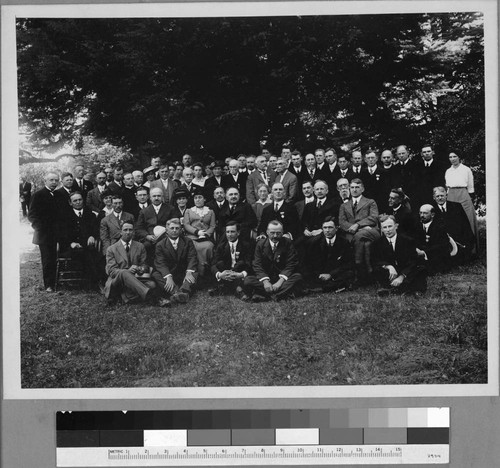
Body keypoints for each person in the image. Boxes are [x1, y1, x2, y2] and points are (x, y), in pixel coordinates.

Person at [243, 220, 303, 302]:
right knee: (248, 280)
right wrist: (265, 282)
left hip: (282, 279)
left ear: (282, 233)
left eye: (278, 233)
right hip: (267, 277)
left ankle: (268, 295)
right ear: (267, 232)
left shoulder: (288, 243)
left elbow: (291, 263)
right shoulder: (260, 244)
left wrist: (280, 282)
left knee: (297, 277)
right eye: (272, 233)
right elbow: (257, 264)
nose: (275, 236)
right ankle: (280, 294)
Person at [28, 172, 66, 291]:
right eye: (51, 180)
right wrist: (41, 228)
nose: (54, 182)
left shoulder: (59, 195)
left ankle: (56, 282)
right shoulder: (38, 195)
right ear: (45, 181)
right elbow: (32, 215)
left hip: (57, 233)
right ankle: (49, 285)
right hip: (44, 234)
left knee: (56, 257)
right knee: (47, 259)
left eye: (56, 180)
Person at [338, 178, 380, 285]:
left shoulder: (370, 202)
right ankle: (368, 273)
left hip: (371, 231)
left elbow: (373, 218)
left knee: (360, 236)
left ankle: (358, 266)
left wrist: (358, 225)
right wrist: (354, 228)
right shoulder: (344, 206)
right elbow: (342, 222)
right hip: (352, 233)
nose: (354, 190)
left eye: (357, 187)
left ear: (362, 189)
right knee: (365, 244)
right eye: (352, 187)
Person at [372, 215, 427, 296]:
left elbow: (413, 261)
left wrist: (402, 276)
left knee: (420, 268)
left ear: (396, 226)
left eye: (390, 226)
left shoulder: (408, 241)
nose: (388, 230)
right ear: (381, 229)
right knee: (377, 269)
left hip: (406, 270)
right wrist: (389, 266)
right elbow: (375, 260)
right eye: (385, 227)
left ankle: (405, 289)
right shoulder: (377, 243)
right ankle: (397, 288)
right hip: (391, 273)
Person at [104, 221, 156, 305]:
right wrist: (127, 271)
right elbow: (111, 271)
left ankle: (124, 297)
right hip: (117, 282)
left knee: (152, 284)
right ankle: (148, 295)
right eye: (125, 230)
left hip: (135, 279)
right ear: (120, 232)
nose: (128, 232)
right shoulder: (111, 249)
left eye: (130, 230)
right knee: (124, 272)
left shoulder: (140, 246)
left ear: (133, 232)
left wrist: (140, 268)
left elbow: (145, 265)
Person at [152, 218, 198, 307]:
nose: (174, 231)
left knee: (194, 272)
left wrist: (189, 272)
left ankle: (183, 291)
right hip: (170, 272)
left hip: (183, 272)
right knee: (156, 274)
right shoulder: (160, 244)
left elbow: (192, 257)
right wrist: (168, 277)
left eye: (177, 228)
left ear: (180, 230)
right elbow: (160, 263)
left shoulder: (187, 241)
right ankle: (177, 293)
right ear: (167, 230)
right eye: (172, 228)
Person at [60, 191, 101, 289]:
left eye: (80, 200)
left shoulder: (90, 214)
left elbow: (95, 229)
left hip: (88, 245)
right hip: (72, 247)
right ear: (70, 203)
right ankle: (95, 282)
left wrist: (92, 236)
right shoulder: (65, 216)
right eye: (75, 201)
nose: (78, 202)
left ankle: (94, 281)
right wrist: (71, 243)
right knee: (86, 254)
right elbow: (62, 234)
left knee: (93, 253)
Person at [305, 217, 354, 292]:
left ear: (336, 228)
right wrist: (320, 275)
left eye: (330, 227)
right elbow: (309, 263)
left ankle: (322, 288)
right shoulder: (314, 243)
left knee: (349, 273)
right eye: (325, 228)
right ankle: (333, 287)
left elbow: (348, 263)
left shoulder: (344, 242)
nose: (327, 230)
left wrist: (331, 274)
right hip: (320, 274)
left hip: (335, 274)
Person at [445, 151, 479, 250]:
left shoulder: (466, 169)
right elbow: (447, 186)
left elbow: (470, 186)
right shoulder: (448, 171)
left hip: (463, 194)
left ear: (459, 157)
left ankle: (471, 248)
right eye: (450, 157)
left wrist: (470, 196)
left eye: (455, 156)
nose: (452, 159)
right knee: (453, 220)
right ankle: (455, 248)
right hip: (451, 195)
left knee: (468, 219)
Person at [432, 186, 475, 264]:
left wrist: (468, 244)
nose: (440, 198)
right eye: (437, 196)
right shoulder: (431, 209)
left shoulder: (456, 206)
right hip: (441, 242)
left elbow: (465, 226)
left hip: (458, 241)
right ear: (434, 197)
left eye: (442, 195)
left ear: (446, 195)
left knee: (460, 259)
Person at [210, 221, 253, 297]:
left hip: (238, 272)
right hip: (225, 272)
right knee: (220, 263)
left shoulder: (246, 245)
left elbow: (248, 263)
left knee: (243, 266)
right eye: (227, 232)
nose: (229, 235)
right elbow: (213, 264)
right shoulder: (221, 246)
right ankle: (238, 289)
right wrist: (220, 275)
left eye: (232, 232)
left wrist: (241, 274)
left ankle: (223, 288)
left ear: (238, 233)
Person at [136, 187, 176, 264]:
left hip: (166, 237)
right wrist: (147, 236)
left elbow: (174, 224)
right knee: (144, 247)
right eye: (154, 196)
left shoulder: (170, 209)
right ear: (150, 198)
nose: (156, 198)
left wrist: (166, 234)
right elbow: (139, 228)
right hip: (149, 239)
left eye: (159, 196)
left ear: (162, 197)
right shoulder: (144, 211)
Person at [183, 188, 216, 276]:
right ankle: (197, 272)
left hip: (206, 237)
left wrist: (206, 234)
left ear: (204, 199)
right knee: (194, 247)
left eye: (200, 197)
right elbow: (186, 225)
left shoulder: (210, 211)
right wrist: (197, 232)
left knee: (209, 246)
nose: (197, 200)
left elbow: (212, 226)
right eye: (195, 198)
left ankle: (206, 271)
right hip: (192, 237)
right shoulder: (189, 211)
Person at [415, 204, 450, 274]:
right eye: (420, 213)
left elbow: (442, 246)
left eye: (425, 213)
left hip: (435, 258)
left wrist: (424, 252)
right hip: (420, 256)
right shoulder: (416, 225)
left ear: (432, 215)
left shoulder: (440, 227)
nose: (422, 215)